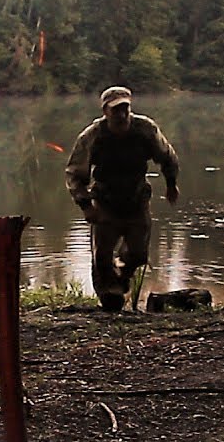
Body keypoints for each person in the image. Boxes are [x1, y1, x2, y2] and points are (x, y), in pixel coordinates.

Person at [65, 86, 180, 312]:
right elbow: (75, 174)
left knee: (138, 254)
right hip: (105, 202)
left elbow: (167, 156)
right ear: (105, 112)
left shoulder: (145, 129)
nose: (122, 115)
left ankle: (123, 270)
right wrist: (86, 205)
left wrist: (171, 184)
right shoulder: (92, 136)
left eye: (125, 109)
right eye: (116, 110)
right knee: (102, 259)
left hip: (136, 201)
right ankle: (111, 297)